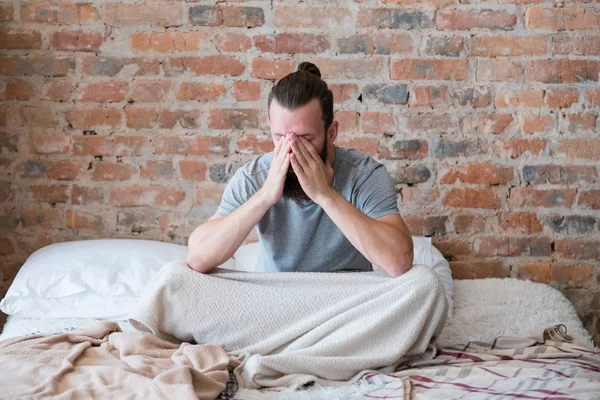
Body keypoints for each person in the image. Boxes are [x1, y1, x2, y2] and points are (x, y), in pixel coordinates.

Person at [186, 62, 414, 277]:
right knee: (174, 277)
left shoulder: (363, 174)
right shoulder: (253, 176)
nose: (292, 150)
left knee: (426, 284)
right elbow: (197, 257)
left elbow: (399, 261)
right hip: (280, 295)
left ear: (331, 133)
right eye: (280, 138)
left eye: (305, 139)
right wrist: (265, 196)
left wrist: (326, 195)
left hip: (346, 299)